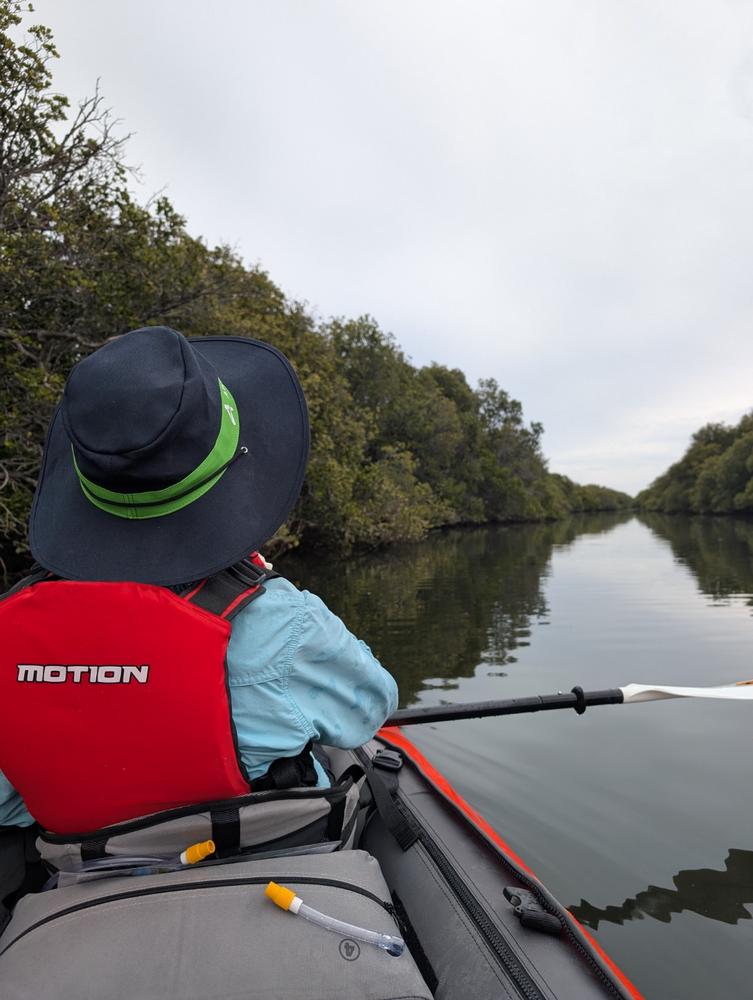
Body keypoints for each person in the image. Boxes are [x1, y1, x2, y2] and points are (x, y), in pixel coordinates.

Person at [0, 327, 398, 831]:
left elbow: (8, 804)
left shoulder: (7, 632)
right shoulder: (281, 620)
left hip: (81, 872)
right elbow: (371, 707)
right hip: (266, 861)